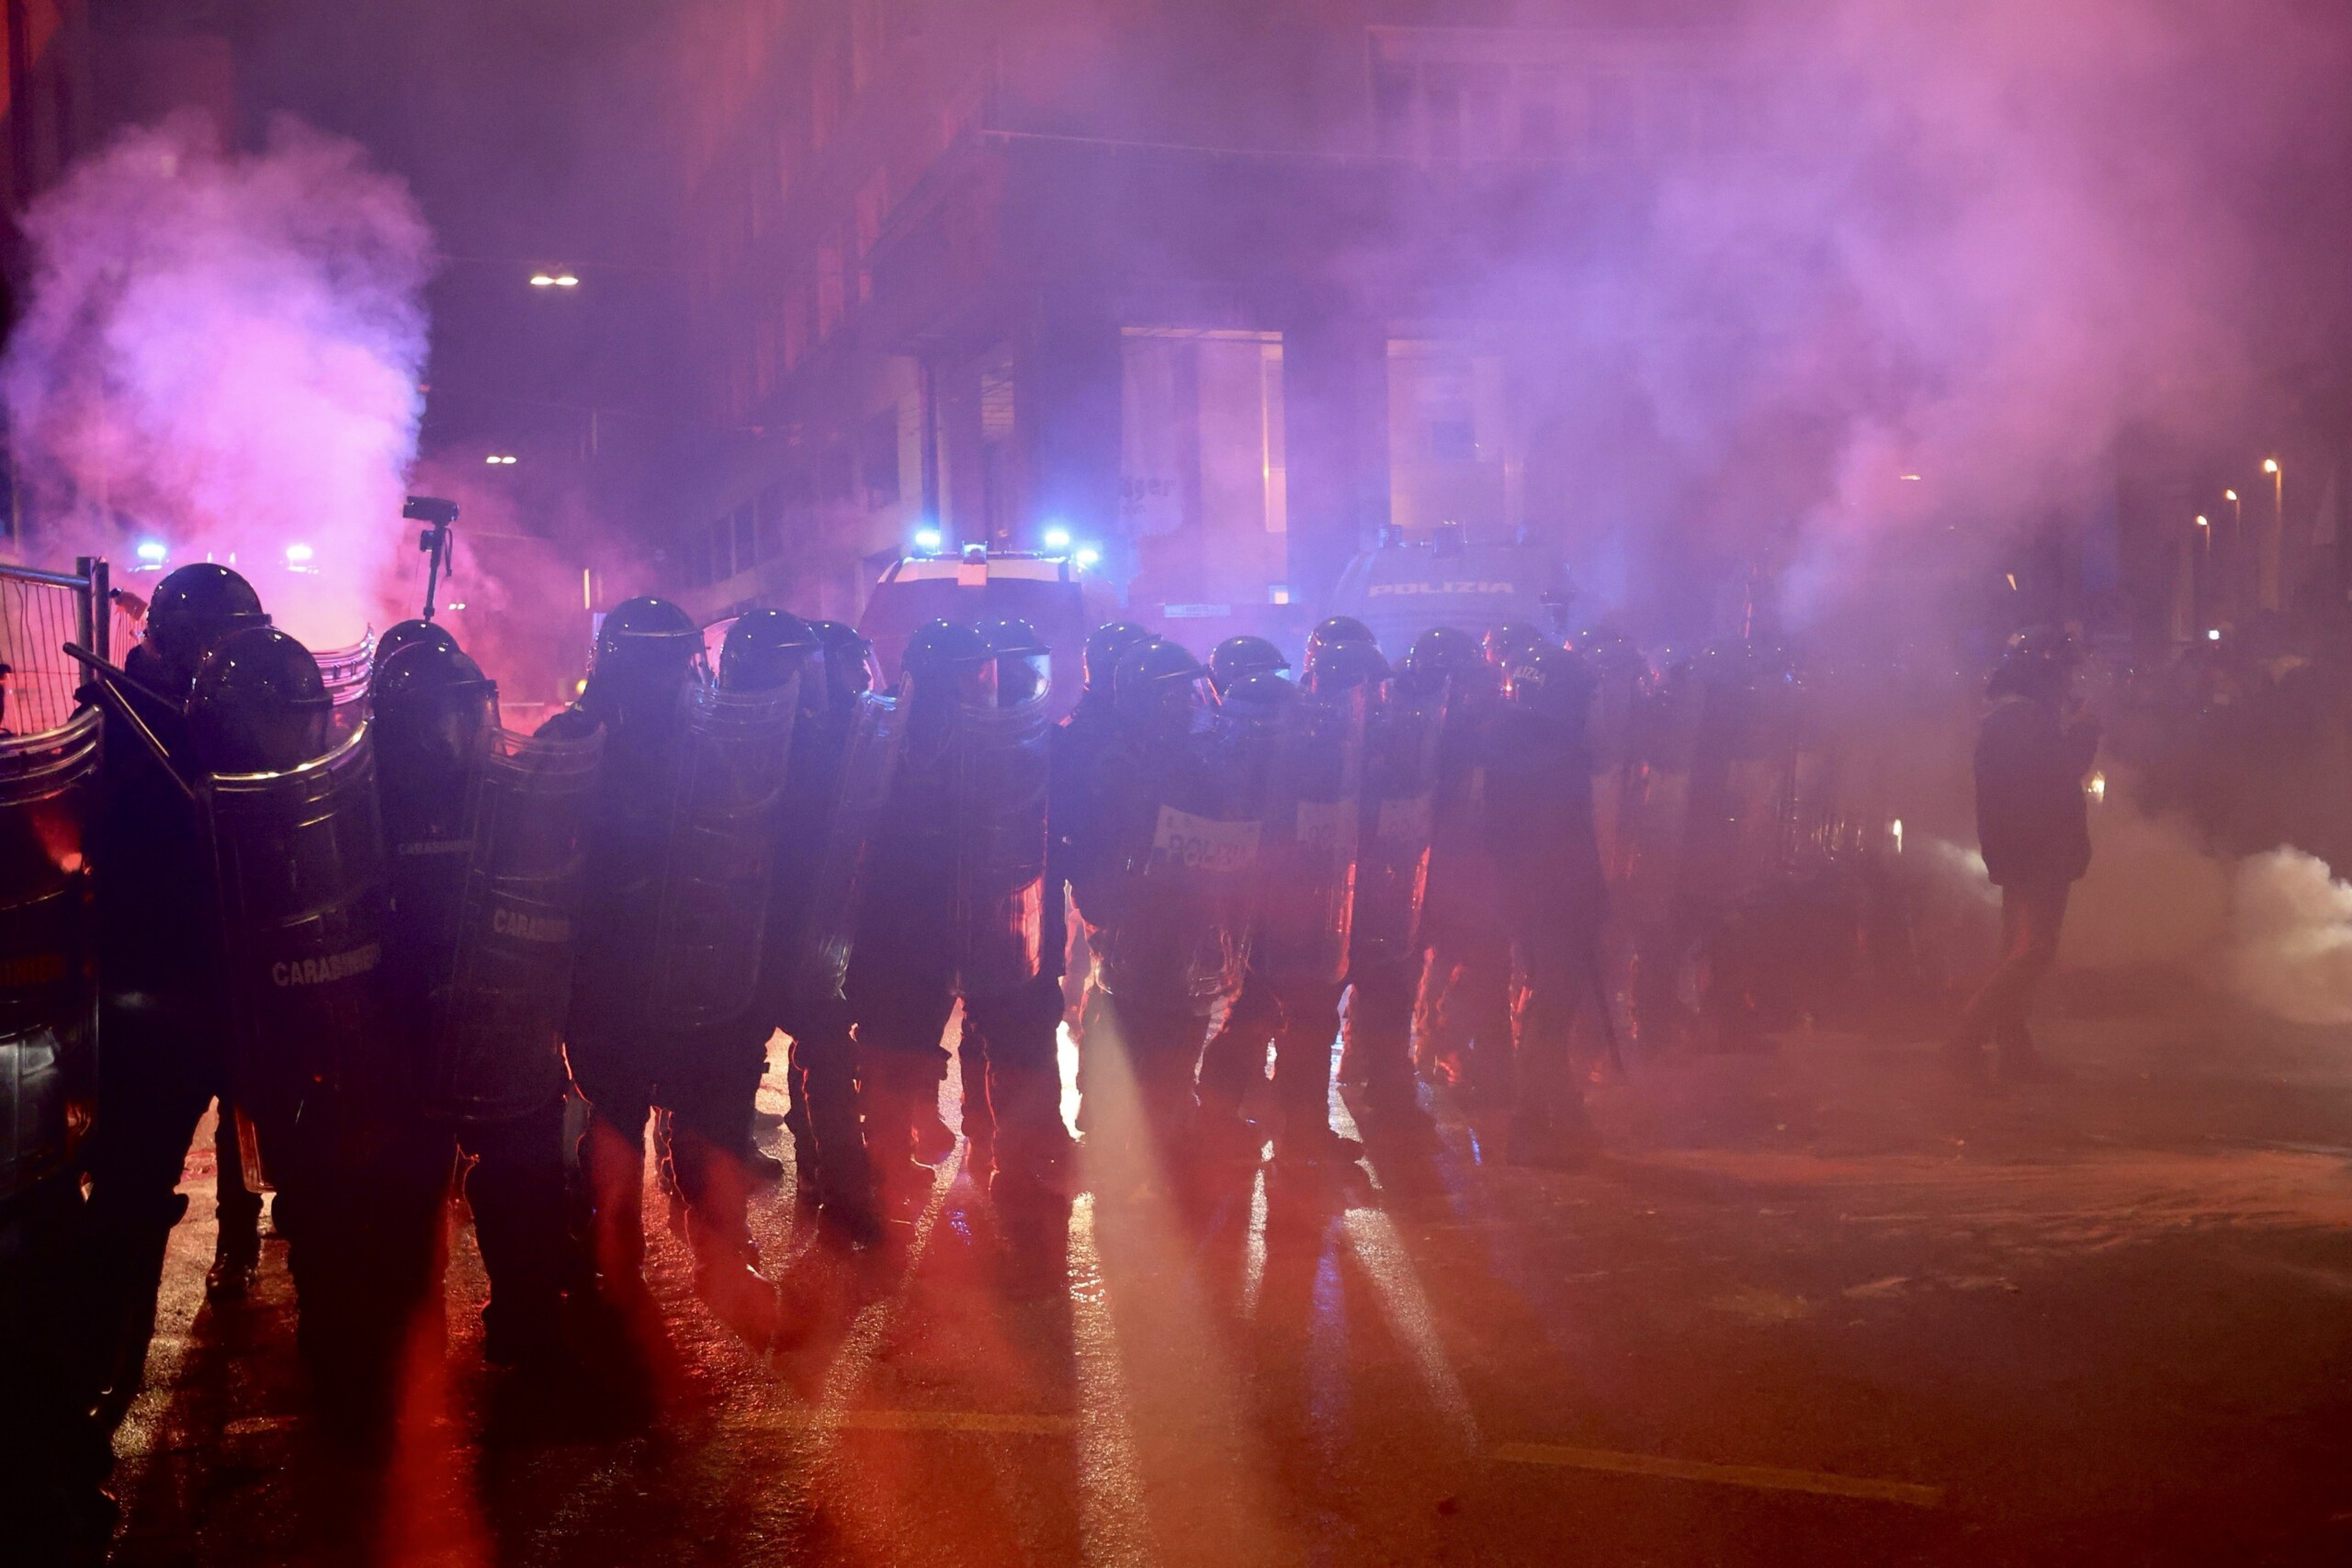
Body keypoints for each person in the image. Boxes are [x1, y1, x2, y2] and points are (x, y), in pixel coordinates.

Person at [568, 595, 790, 1341]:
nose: (672, 678)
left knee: (713, 1115)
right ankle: (614, 1262)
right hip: (611, 970)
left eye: (678, 661)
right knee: (615, 1120)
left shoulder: (714, 741)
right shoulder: (573, 741)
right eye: (658, 663)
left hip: (700, 961)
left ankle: (724, 1253)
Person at [80, 563, 267, 1426]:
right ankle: (101, 1375)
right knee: (130, 1190)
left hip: (229, 965)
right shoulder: (111, 718)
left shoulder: (232, 711)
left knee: (254, 1126)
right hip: (152, 983)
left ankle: (237, 1241)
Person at [375, 636, 592, 1368]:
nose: (458, 735)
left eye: (466, 715)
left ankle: (524, 1315)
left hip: (492, 1011)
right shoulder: (363, 801)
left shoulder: (503, 789)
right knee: (413, 1187)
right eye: (444, 719)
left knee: (522, 1169)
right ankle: (420, 1330)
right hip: (409, 1024)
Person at [849, 619, 1072, 1203]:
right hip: (933, 916)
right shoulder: (895, 736)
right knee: (951, 1038)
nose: (983, 683)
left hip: (927, 919)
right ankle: (999, 1162)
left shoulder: (896, 732)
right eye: (974, 672)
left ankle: (897, 1164)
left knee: (907, 1042)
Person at [1948, 628, 2099, 1085]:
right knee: (2033, 951)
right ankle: (1965, 1037)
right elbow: (2063, 773)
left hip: (2020, 848)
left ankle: (2015, 1049)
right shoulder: (2026, 723)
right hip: (2039, 848)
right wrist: (2088, 729)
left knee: (2016, 949)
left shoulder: (2007, 720)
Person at [1486, 640, 1608, 1165]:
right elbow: (1570, 839)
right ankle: (1534, 1126)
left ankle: (1561, 1116)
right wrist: (1589, 897)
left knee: (1548, 1008)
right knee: (1552, 1012)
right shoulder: (1556, 756)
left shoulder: (1511, 744)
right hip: (1558, 899)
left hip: (1531, 899)